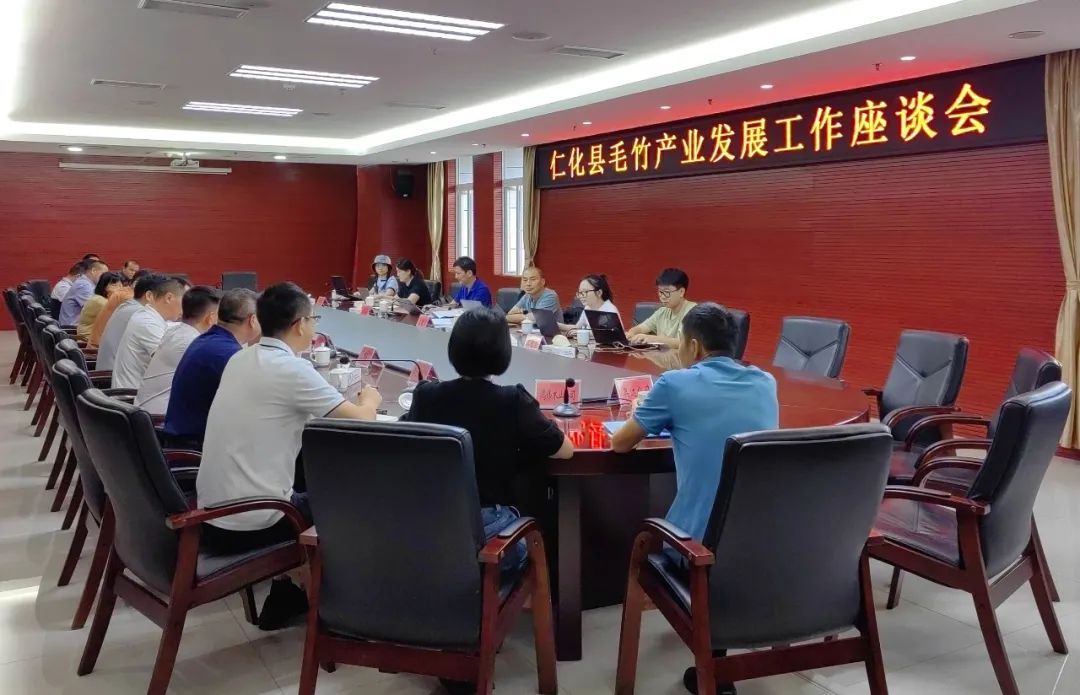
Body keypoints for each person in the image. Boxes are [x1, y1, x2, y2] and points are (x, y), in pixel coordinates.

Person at [197, 282, 382, 629]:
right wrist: (370, 398)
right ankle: (348, 611)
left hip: (212, 514)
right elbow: (362, 420)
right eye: (313, 320)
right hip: (253, 521)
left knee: (306, 477)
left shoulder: (241, 357)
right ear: (299, 324)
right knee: (356, 499)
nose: (313, 327)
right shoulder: (291, 370)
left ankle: (286, 594)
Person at [402, 306, 574, 570]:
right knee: (530, 543)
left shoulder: (425, 395)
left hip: (426, 532)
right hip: (488, 536)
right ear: (503, 352)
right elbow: (565, 451)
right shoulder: (512, 400)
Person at [612, 303, 778, 540]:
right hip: (760, 541)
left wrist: (639, 410)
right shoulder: (766, 382)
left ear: (693, 346)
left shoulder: (674, 384)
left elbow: (620, 443)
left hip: (694, 546)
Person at [162, 288, 261, 450]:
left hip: (181, 439)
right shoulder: (229, 354)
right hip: (196, 447)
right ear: (253, 320)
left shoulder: (206, 340)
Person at [134, 286, 221, 415]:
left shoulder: (175, 331)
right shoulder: (193, 343)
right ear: (211, 317)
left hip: (146, 410)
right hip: (159, 418)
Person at [111, 276, 188, 389]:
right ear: (169, 298)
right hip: (132, 395)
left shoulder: (149, 316)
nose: (187, 307)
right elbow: (173, 363)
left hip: (140, 390)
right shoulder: (147, 323)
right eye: (184, 301)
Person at [94, 271, 157, 363]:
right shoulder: (129, 300)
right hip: (97, 352)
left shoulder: (128, 300)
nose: (118, 288)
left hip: (103, 354)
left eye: (120, 285)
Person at [626, 268, 697, 348]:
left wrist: (651, 339)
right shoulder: (662, 311)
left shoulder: (693, 312)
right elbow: (641, 328)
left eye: (667, 292)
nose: (662, 297)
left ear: (681, 292)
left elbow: (683, 343)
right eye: (660, 292)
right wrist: (631, 333)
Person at [75, 271, 123, 342]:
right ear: (104, 286)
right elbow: (119, 321)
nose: (119, 289)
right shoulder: (99, 301)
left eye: (120, 285)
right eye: (114, 285)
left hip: (97, 339)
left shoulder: (103, 299)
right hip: (88, 342)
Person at [58, 259, 108, 326]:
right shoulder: (83, 285)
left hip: (79, 326)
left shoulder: (87, 284)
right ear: (93, 271)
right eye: (104, 274)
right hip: (73, 328)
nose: (105, 278)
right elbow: (95, 309)